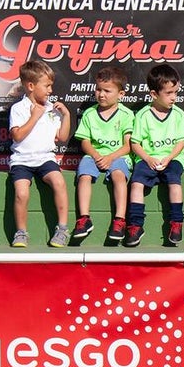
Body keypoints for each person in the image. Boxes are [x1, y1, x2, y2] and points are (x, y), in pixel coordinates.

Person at [125, 64, 184, 248]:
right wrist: (148, 158)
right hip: (148, 159)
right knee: (137, 184)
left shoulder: (178, 114)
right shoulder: (143, 115)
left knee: (174, 182)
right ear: (154, 94)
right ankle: (136, 226)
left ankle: (177, 223)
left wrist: (169, 158)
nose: (174, 97)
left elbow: (181, 142)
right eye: (169, 93)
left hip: (173, 159)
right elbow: (135, 143)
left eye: (176, 92)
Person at [7, 60, 72, 248]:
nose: (50, 90)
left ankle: (62, 229)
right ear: (30, 86)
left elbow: (62, 136)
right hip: (22, 160)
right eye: (47, 86)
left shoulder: (53, 109)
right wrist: (35, 115)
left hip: (45, 158)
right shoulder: (18, 109)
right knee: (21, 192)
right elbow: (17, 136)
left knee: (59, 182)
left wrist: (66, 116)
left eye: (51, 85)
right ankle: (21, 232)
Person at [71, 66, 133, 246]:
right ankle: (84, 219)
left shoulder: (126, 115)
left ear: (121, 94)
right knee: (84, 176)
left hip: (118, 157)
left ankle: (120, 220)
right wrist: (97, 155)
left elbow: (128, 145)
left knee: (118, 176)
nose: (102, 94)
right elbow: (85, 142)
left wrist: (110, 158)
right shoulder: (89, 114)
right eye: (98, 89)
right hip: (94, 156)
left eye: (107, 90)